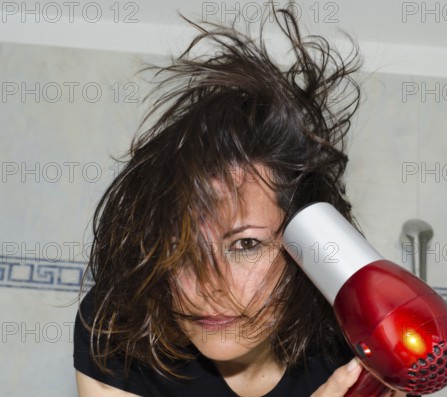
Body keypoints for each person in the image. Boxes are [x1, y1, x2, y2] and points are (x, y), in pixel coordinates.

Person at [73, 5, 404, 397]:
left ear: (307, 248)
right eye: (181, 250)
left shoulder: (354, 342)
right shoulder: (118, 330)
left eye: (245, 244)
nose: (209, 287)